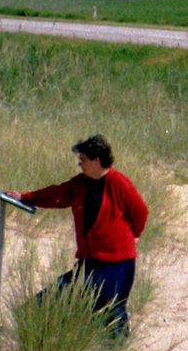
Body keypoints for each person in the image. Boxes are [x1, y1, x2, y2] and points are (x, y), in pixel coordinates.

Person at [17, 135, 148, 336]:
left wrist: (135, 235)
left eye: (83, 159)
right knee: (46, 300)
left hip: (117, 265)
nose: (79, 163)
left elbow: (140, 211)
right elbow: (57, 194)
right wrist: (26, 198)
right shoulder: (81, 183)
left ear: (96, 160)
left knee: (112, 313)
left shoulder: (118, 183)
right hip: (90, 263)